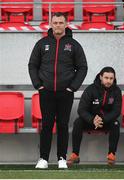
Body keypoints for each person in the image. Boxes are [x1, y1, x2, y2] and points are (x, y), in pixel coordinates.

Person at [28, 12, 87, 169]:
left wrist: (72, 87)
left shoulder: (74, 45)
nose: (58, 25)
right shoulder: (42, 43)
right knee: (46, 125)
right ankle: (43, 159)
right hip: (46, 91)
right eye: (55, 22)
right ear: (51, 24)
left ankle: (62, 158)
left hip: (65, 92)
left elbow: (82, 67)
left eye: (61, 22)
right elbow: (32, 65)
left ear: (66, 24)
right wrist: (38, 85)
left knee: (62, 124)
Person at [67, 67, 122, 166]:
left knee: (115, 123)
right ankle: (75, 154)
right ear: (101, 77)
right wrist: (92, 119)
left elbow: (116, 111)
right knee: (78, 122)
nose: (108, 81)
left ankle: (111, 154)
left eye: (111, 78)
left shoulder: (117, 91)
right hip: (90, 122)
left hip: (106, 122)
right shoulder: (90, 89)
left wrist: (103, 119)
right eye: (106, 78)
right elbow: (81, 109)